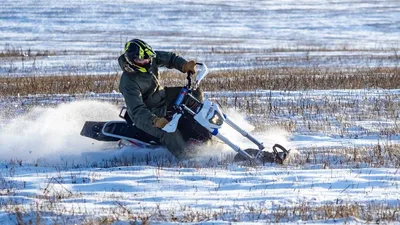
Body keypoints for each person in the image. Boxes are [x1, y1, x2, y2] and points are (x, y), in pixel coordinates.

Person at [118, 39, 204, 159]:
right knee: (169, 131)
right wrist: (155, 121)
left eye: (148, 58)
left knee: (194, 94)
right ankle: (187, 159)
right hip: (149, 113)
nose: (148, 61)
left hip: (162, 96)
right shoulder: (128, 82)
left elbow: (169, 58)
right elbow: (137, 111)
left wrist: (183, 65)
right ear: (132, 61)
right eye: (143, 60)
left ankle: (199, 131)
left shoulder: (149, 58)